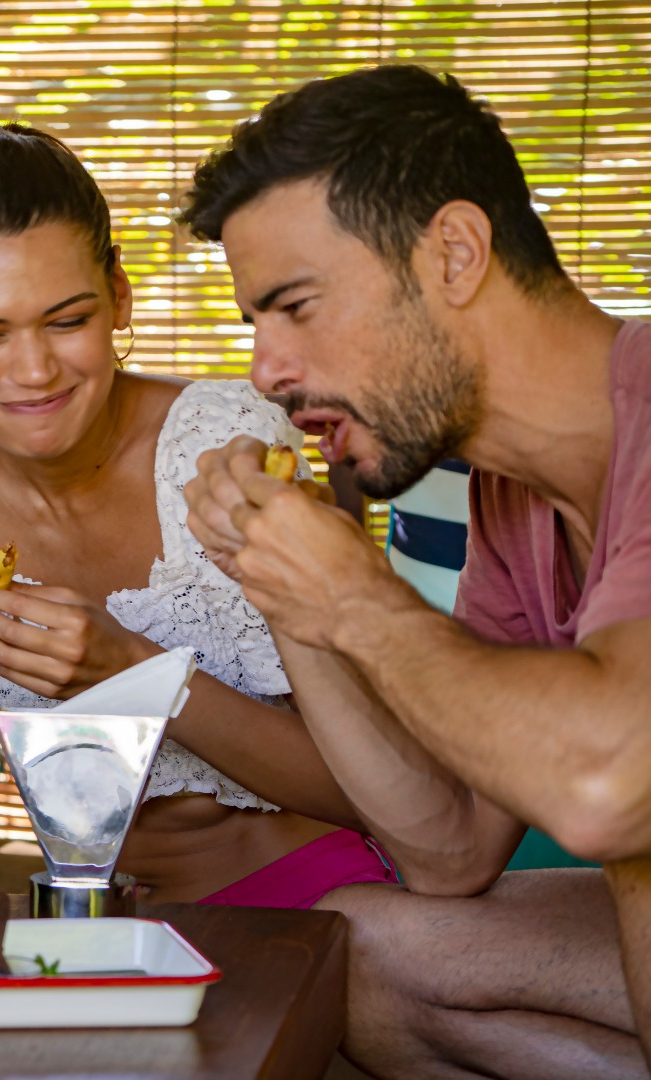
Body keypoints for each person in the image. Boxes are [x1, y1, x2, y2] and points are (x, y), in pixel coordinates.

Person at [181, 65, 648, 1077]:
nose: (265, 367)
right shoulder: (511, 497)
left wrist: (355, 592)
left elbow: (611, 785)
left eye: (294, 305)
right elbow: (449, 852)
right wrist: (298, 598)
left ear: (455, 252)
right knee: (361, 951)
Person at [0, 124, 401, 903]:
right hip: (88, 908)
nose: (35, 370)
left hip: (304, 887)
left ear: (118, 293)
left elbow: (370, 793)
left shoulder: (226, 442)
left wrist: (129, 667)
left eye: (67, 320)